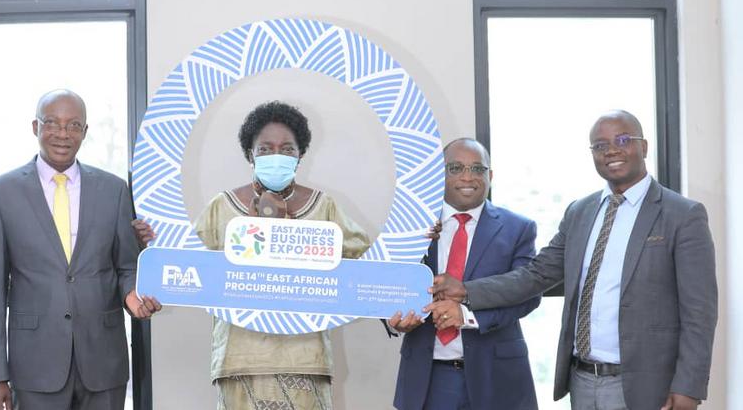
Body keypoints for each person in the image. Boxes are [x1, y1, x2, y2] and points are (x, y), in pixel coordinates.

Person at [430, 110, 717, 410]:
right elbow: (535, 276)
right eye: (600, 145)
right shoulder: (581, 212)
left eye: (622, 140)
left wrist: (689, 387)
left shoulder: (682, 215)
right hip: (582, 380)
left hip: (645, 385)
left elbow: (700, 312)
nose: (612, 150)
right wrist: (466, 291)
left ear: (643, 147)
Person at [137, 101, 370, 409]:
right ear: (250, 154)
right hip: (239, 358)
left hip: (305, 358)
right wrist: (151, 243)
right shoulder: (222, 207)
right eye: (266, 149)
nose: (277, 156)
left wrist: (415, 244)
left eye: (287, 149)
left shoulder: (324, 207)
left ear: (301, 155)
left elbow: (369, 265)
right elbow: (182, 263)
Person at [0, 89, 161, 410]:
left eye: (74, 125)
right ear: (35, 127)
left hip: (104, 362)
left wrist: (133, 294)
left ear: (85, 132)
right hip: (34, 365)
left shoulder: (115, 190)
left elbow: (127, 266)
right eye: (52, 123)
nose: (63, 134)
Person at [388, 138, 540, 409]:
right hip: (428, 378)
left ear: (490, 176)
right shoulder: (411, 226)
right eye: (456, 168)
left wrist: (469, 316)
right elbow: (388, 283)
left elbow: (527, 296)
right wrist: (394, 318)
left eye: (477, 169)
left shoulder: (518, 228)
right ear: (440, 174)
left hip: (497, 378)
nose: (467, 177)